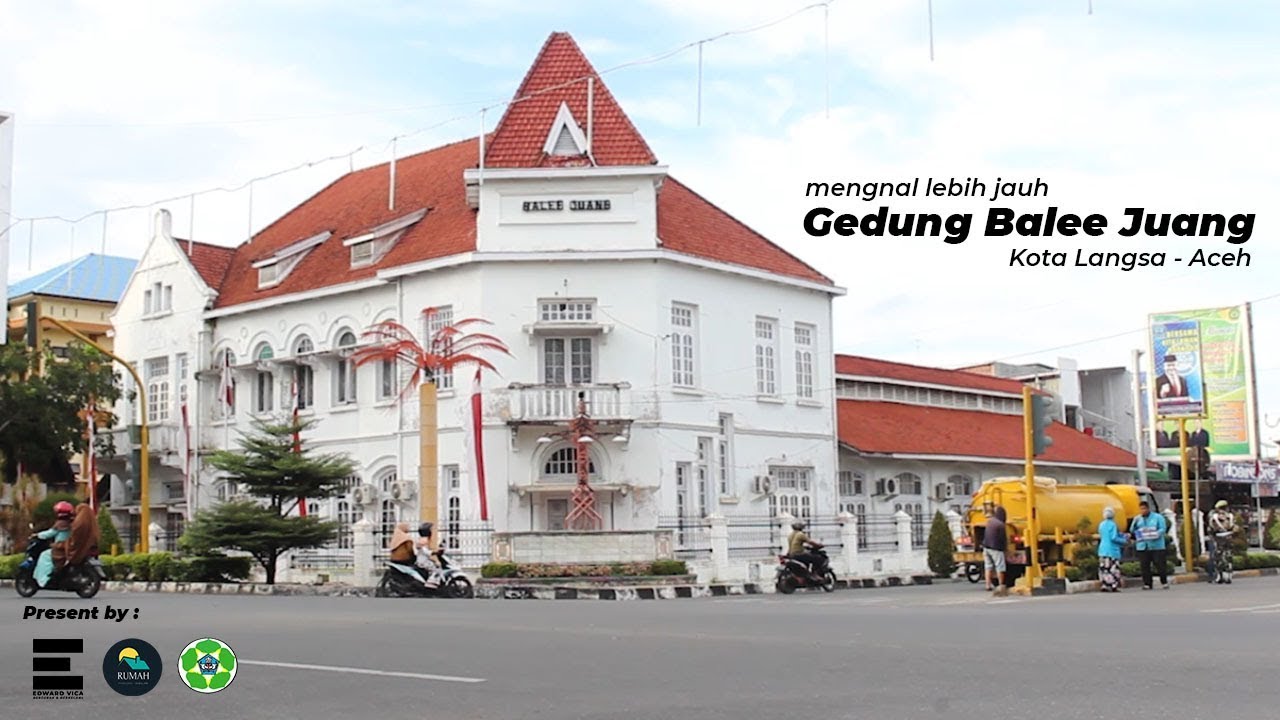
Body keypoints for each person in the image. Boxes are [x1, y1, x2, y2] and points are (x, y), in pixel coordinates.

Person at [33, 501, 75, 588]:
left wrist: (37, 535)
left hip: (60, 549)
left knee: (44, 555)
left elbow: (50, 533)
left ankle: (43, 580)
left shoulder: (60, 524)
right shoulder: (72, 523)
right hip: (69, 548)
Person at [1128, 501, 1169, 590]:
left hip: (1156, 545)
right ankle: (1147, 583)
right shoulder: (1138, 519)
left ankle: (1164, 581)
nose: (1143, 511)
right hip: (1142, 545)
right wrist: (1134, 528)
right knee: (1144, 565)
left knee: (1160, 564)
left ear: (1148, 508)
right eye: (1141, 509)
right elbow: (1132, 530)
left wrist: (1155, 534)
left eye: (1144, 509)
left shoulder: (1158, 517)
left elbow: (1163, 528)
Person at [1097, 507, 1127, 592]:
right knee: (1113, 568)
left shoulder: (1101, 524)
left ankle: (1104, 585)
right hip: (1112, 550)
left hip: (1102, 549)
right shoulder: (1113, 524)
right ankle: (1114, 585)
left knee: (1104, 568)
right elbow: (1113, 537)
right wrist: (1123, 541)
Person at [1206, 500, 1236, 584]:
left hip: (1218, 539)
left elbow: (1211, 528)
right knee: (1228, 557)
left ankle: (1219, 577)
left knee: (1218, 558)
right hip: (1228, 538)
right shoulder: (1230, 516)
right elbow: (1233, 528)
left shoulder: (1214, 517)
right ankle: (1228, 576)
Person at [982, 505, 1008, 596]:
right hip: (996, 548)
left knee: (988, 567)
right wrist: (1005, 548)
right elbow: (1003, 539)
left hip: (986, 547)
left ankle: (987, 585)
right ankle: (1001, 585)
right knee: (1000, 566)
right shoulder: (1001, 525)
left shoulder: (990, 521)